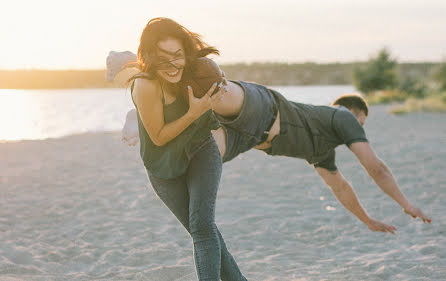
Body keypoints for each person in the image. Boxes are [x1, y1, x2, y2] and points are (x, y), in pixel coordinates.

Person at [108, 31, 431, 235]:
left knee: (189, 152)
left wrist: (368, 220)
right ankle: (137, 68)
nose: (360, 130)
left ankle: (145, 110)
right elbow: (376, 167)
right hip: (261, 107)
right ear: (356, 115)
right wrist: (406, 203)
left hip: (244, 138)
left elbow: (340, 187)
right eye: (363, 123)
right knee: (209, 83)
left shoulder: (322, 152)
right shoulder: (342, 117)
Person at [127, 17, 248, 281]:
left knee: (203, 227)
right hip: (162, 168)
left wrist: (218, 87)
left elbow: (224, 97)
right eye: (163, 58)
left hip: (201, 150)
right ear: (149, 57)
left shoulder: (197, 71)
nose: (172, 65)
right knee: (204, 232)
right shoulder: (145, 85)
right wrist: (195, 112)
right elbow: (158, 137)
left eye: (177, 55)